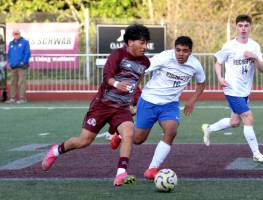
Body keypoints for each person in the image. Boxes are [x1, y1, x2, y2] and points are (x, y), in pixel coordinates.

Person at [41, 24, 151, 186]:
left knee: (128, 133)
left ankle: (121, 173)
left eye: (146, 43)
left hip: (121, 108)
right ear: (130, 42)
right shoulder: (118, 55)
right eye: (142, 43)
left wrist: (136, 101)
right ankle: (56, 150)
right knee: (84, 141)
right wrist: (116, 84)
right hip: (102, 105)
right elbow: (106, 76)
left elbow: (136, 84)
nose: (145, 46)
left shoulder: (145, 62)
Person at [130, 36, 206, 180]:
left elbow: (202, 83)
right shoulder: (164, 57)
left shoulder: (195, 65)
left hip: (170, 105)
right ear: (174, 49)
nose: (181, 54)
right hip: (149, 101)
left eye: (185, 51)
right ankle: (119, 135)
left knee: (171, 130)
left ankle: (152, 168)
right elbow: (142, 71)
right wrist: (135, 93)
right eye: (178, 50)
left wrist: (192, 101)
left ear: (190, 51)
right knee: (138, 140)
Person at [201, 14, 263, 163]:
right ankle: (256, 154)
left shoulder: (255, 46)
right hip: (232, 89)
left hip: (245, 90)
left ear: (250, 27)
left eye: (246, 26)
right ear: (236, 27)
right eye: (240, 26)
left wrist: (255, 58)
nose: (243, 29)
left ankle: (209, 128)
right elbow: (217, 62)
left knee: (234, 122)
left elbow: (261, 69)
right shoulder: (229, 46)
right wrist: (220, 78)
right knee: (248, 118)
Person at [6, 29, 31, 104]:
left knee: (21, 82)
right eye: (14, 34)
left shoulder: (25, 42)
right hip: (13, 66)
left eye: (17, 34)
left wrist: (23, 62)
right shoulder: (11, 43)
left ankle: (22, 99)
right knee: (13, 82)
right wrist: (9, 63)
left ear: (20, 34)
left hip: (21, 66)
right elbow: (9, 54)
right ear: (13, 35)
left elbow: (27, 53)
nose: (16, 35)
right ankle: (12, 98)